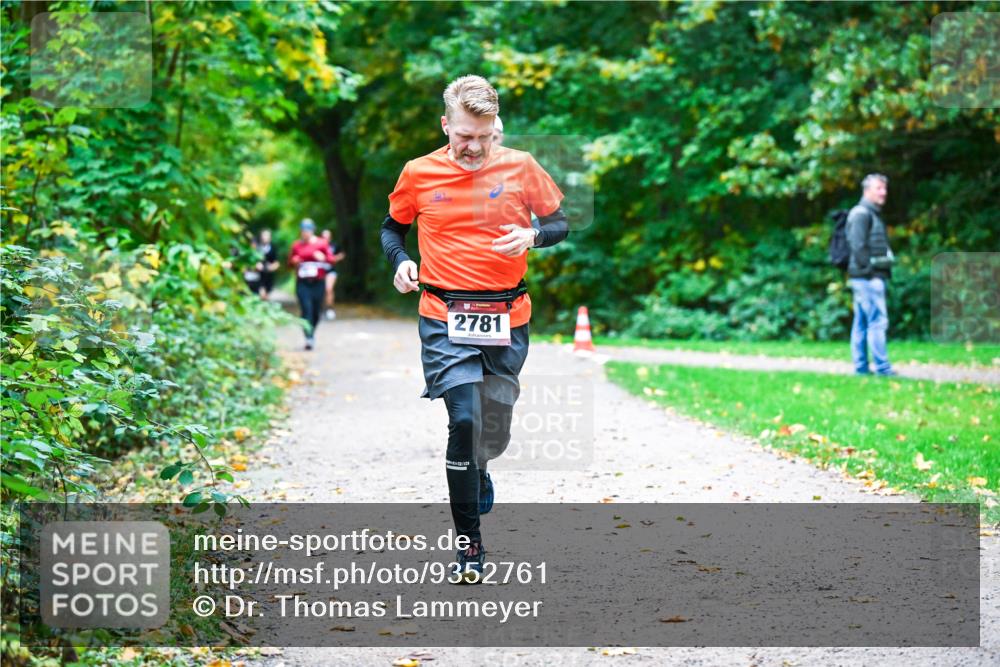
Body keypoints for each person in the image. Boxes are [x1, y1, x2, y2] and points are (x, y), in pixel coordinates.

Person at [380, 75, 570, 582]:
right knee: (463, 419)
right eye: (464, 136)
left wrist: (531, 235)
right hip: (443, 316)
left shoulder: (521, 167)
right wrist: (399, 261)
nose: (473, 147)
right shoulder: (418, 173)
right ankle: (469, 547)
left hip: (509, 317)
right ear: (446, 125)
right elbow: (391, 227)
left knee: (493, 430)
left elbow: (561, 223)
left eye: (483, 137)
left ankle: (481, 466)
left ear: (494, 128)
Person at [846, 173, 896, 376]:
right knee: (877, 322)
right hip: (868, 278)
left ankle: (861, 367)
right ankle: (882, 368)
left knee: (862, 323)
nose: (883, 193)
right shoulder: (861, 214)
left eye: (884, 189)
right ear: (867, 191)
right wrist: (869, 271)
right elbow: (857, 245)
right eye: (879, 189)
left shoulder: (869, 213)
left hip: (864, 277)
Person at [288, 219, 334, 350]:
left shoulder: (322, 243)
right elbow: (289, 263)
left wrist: (323, 258)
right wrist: (294, 261)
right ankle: (308, 337)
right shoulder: (296, 245)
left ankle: (311, 333)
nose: (305, 234)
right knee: (306, 308)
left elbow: (332, 260)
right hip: (302, 283)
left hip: (318, 282)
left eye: (307, 231)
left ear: (312, 231)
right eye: (303, 231)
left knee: (316, 311)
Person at [320, 229, 347, 320]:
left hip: (331, 271)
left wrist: (334, 259)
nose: (325, 239)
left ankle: (330, 309)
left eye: (327, 237)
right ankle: (322, 310)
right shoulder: (317, 246)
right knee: (321, 291)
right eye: (323, 237)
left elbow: (342, 254)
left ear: (330, 238)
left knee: (329, 289)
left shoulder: (334, 246)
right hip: (320, 272)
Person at [256, 228, 280, 300]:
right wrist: (257, 265)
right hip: (259, 275)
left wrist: (272, 267)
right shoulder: (257, 248)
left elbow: (276, 262)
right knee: (261, 293)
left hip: (269, 274)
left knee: (267, 294)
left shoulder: (273, 247)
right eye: (264, 235)